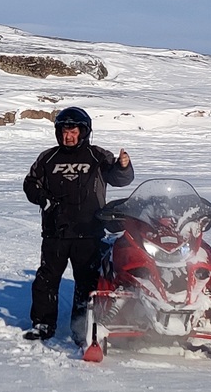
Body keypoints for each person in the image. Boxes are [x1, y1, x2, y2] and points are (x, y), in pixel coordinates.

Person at [22, 107, 134, 343]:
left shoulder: (97, 155)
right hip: (55, 232)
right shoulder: (48, 158)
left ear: (83, 132)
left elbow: (119, 178)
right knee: (46, 280)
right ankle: (43, 323)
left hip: (89, 232)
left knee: (87, 283)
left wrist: (123, 166)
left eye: (73, 131)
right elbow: (30, 184)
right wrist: (43, 199)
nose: (68, 136)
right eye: (64, 131)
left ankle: (82, 327)